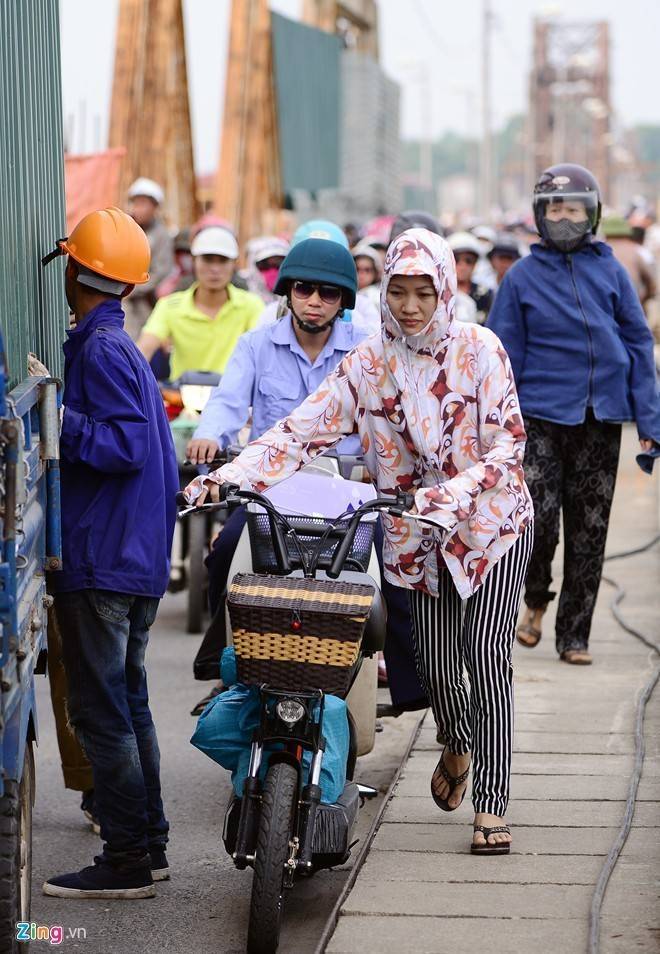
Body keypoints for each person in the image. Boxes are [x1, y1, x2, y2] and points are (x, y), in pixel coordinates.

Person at [185, 228, 534, 855]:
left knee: (485, 661)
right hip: (412, 537)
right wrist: (228, 476)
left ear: (444, 290)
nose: (409, 305)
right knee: (433, 667)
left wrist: (447, 496)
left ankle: (492, 805)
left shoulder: (481, 350)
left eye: (422, 292)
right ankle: (455, 741)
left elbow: (509, 446)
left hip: (489, 528)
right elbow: (299, 431)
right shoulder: (368, 365)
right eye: (397, 291)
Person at [40, 207, 179, 898]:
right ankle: (145, 846)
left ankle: (127, 858)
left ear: (73, 272)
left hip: (104, 558)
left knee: (105, 713)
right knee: (129, 705)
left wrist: (56, 418)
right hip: (133, 555)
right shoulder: (115, 346)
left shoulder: (100, 351)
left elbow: (121, 446)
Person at [488, 163, 660, 665]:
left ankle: (574, 634)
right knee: (536, 521)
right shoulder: (520, 277)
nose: (564, 218)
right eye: (555, 209)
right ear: (540, 215)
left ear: (593, 214)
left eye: (574, 209)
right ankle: (535, 599)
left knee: (591, 529)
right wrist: (493, 427)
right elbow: (500, 357)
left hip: (601, 419)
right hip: (537, 417)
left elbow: (637, 343)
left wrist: (650, 424)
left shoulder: (611, 271)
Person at [186, 237, 367, 712]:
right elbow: (227, 402)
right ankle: (224, 664)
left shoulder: (367, 350)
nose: (314, 300)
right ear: (287, 291)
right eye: (304, 288)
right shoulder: (256, 345)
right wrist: (209, 436)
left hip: (347, 499)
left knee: (395, 573)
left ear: (343, 301)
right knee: (224, 552)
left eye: (328, 293)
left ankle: (401, 680)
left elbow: (390, 416)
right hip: (271, 496)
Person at [137, 226, 263, 381]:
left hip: (234, 400)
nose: (215, 269)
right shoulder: (169, 306)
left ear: (234, 264)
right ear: (194, 260)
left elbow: (263, 356)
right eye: (208, 259)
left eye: (223, 260)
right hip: (181, 399)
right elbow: (143, 351)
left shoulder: (252, 305)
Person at [122, 177, 173, 340]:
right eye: (136, 203)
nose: (138, 209)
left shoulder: (161, 235)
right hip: (119, 290)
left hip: (144, 298)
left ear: (155, 207)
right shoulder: (124, 227)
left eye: (143, 204)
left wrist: (133, 290)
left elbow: (161, 271)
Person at [601, 216, 657, 308]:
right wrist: (645, 299)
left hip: (605, 306)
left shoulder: (598, 251)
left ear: (606, 233)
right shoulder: (635, 251)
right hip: (632, 304)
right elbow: (651, 282)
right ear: (627, 234)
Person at [448, 231, 493, 323]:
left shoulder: (485, 294)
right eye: (456, 260)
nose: (462, 266)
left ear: (475, 264)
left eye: (469, 261)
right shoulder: (440, 293)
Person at [239, 235, 290, 303]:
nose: (272, 271)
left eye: (279, 264)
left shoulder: (293, 293)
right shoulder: (239, 287)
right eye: (265, 264)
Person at [156, 228, 194, 298]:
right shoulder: (171, 274)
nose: (184, 257)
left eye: (188, 253)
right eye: (181, 252)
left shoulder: (201, 280)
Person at [352, 240, 382, 312]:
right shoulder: (344, 294)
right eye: (357, 269)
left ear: (375, 273)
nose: (362, 275)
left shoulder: (377, 298)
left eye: (367, 270)